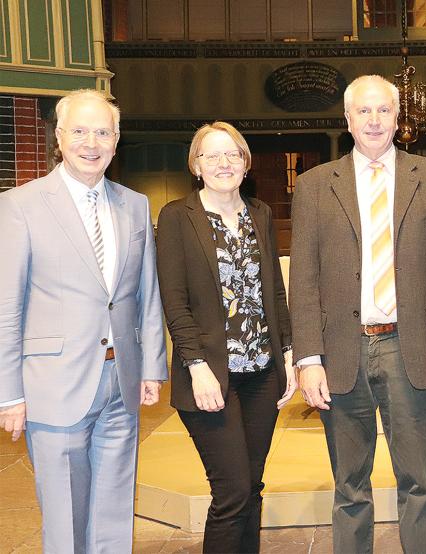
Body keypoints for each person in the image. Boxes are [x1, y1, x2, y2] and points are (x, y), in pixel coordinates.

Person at [289, 74, 426, 554]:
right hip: (342, 352)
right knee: (349, 486)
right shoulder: (314, 185)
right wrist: (308, 359)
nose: (373, 120)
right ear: (347, 119)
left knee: (418, 481)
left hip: (411, 348)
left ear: (397, 116)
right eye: (363, 111)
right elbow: (303, 280)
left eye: (383, 110)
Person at [0, 89, 167, 552]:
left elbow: (145, 293)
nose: (91, 143)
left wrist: (152, 366)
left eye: (102, 132)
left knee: (114, 514)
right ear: (58, 137)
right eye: (79, 131)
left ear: (116, 140)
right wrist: (9, 394)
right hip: (54, 384)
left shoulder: (135, 204)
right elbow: (7, 307)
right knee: (66, 520)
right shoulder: (19, 205)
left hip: (121, 381)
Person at [156, 122, 295, 553]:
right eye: (212, 155)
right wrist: (196, 366)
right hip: (209, 377)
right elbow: (174, 301)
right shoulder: (177, 217)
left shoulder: (260, 213)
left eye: (232, 154)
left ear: (245, 163)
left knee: (251, 487)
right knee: (232, 492)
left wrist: (288, 352)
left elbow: (274, 290)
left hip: (262, 375)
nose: (223, 163)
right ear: (196, 166)